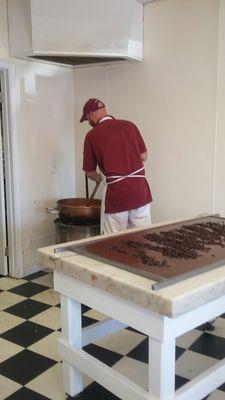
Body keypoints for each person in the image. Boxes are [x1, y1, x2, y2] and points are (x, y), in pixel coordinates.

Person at [80, 98, 153, 234]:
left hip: (117, 196)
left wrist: (99, 178)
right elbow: (144, 156)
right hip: (140, 191)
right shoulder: (130, 125)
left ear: (91, 115)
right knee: (143, 239)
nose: (89, 123)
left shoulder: (92, 136)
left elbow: (89, 172)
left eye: (87, 119)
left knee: (113, 242)